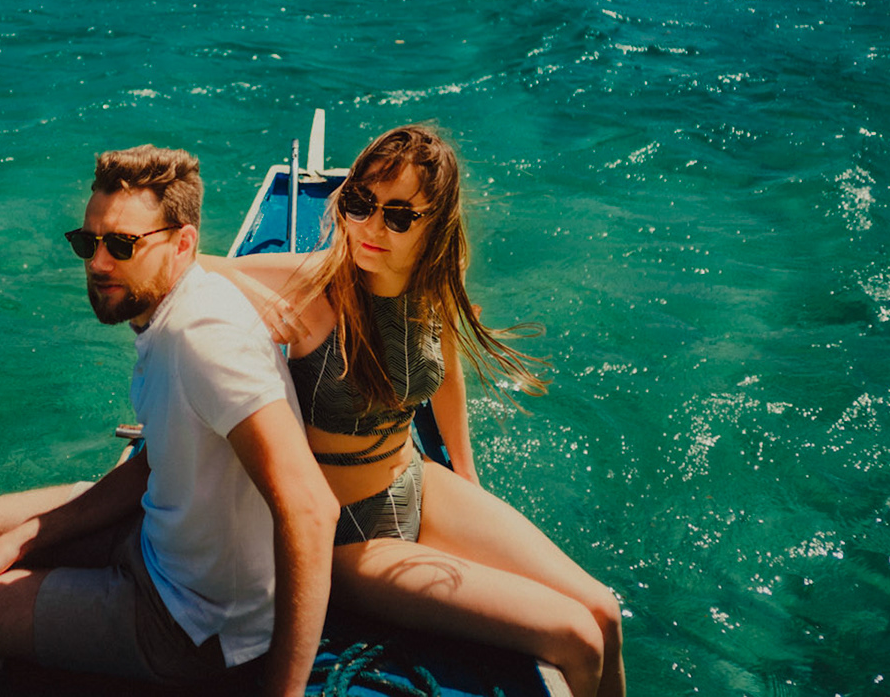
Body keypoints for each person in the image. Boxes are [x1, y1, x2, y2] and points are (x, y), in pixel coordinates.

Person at [0, 145, 336, 697]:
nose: (99, 263)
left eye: (122, 245)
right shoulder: (171, 305)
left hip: (190, 622)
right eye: (88, 242)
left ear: (183, 243)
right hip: (159, 542)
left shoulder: (204, 341)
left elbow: (311, 509)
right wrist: (26, 539)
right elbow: (157, 461)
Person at [203, 124, 626, 697]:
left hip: (418, 482)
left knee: (603, 612)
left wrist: (467, 476)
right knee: (576, 636)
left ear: (433, 227)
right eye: (359, 203)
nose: (372, 227)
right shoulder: (315, 284)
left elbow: (445, 371)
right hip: (350, 536)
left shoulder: (433, 285)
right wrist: (251, 292)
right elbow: (186, 269)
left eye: (399, 216)